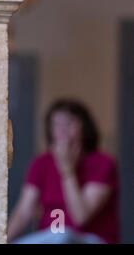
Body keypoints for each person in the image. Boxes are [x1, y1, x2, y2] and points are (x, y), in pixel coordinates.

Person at [8, 99, 119, 244]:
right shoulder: (41, 163)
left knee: (62, 236)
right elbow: (24, 211)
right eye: (56, 124)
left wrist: (67, 170)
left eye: (69, 123)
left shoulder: (102, 163)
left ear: (84, 128)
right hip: (50, 237)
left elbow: (80, 216)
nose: (63, 129)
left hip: (91, 239)